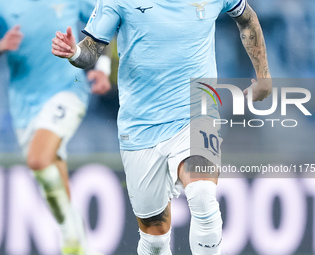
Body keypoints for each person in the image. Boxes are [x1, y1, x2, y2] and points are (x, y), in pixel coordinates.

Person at [52, 0, 272, 254]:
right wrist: (75, 53)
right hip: (140, 125)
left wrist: (264, 77)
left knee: (202, 193)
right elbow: (91, 51)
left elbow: (247, 18)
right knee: (155, 236)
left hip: (197, 111)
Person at [0, 0, 111, 254]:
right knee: (48, 170)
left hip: (67, 90)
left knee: (38, 159)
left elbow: (106, 21)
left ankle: (70, 231)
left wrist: (103, 69)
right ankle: (75, 237)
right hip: (23, 104)